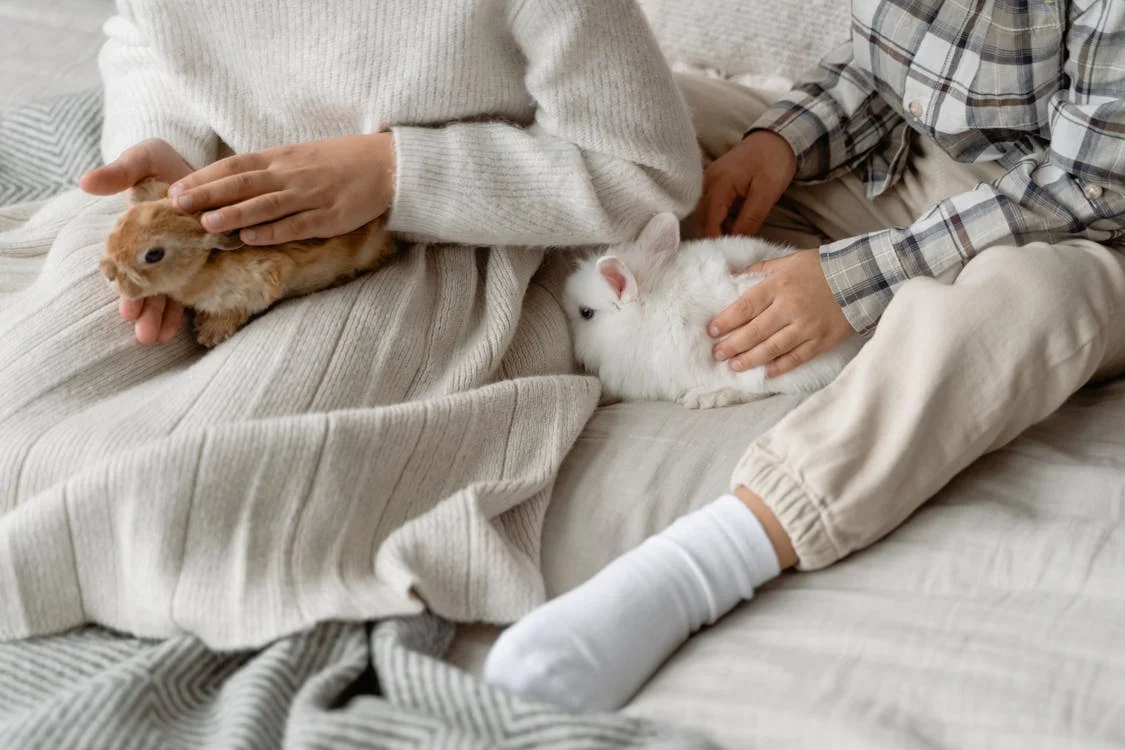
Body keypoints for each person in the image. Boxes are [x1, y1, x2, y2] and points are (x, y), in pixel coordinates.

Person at [483, 0, 1125, 712]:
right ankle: (456, 361)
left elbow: (1091, 188)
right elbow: (892, 70)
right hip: (920, 169)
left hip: (1085, 227)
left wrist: (848, 280)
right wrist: (775, 147)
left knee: (1028, 297)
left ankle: (713, 557)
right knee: (634, 121)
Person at [79, 0, 702, 344]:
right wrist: (158, 150)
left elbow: (646, 173)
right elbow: (146, 41)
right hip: (214, 238)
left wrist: (394, 171)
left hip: (452, 242)